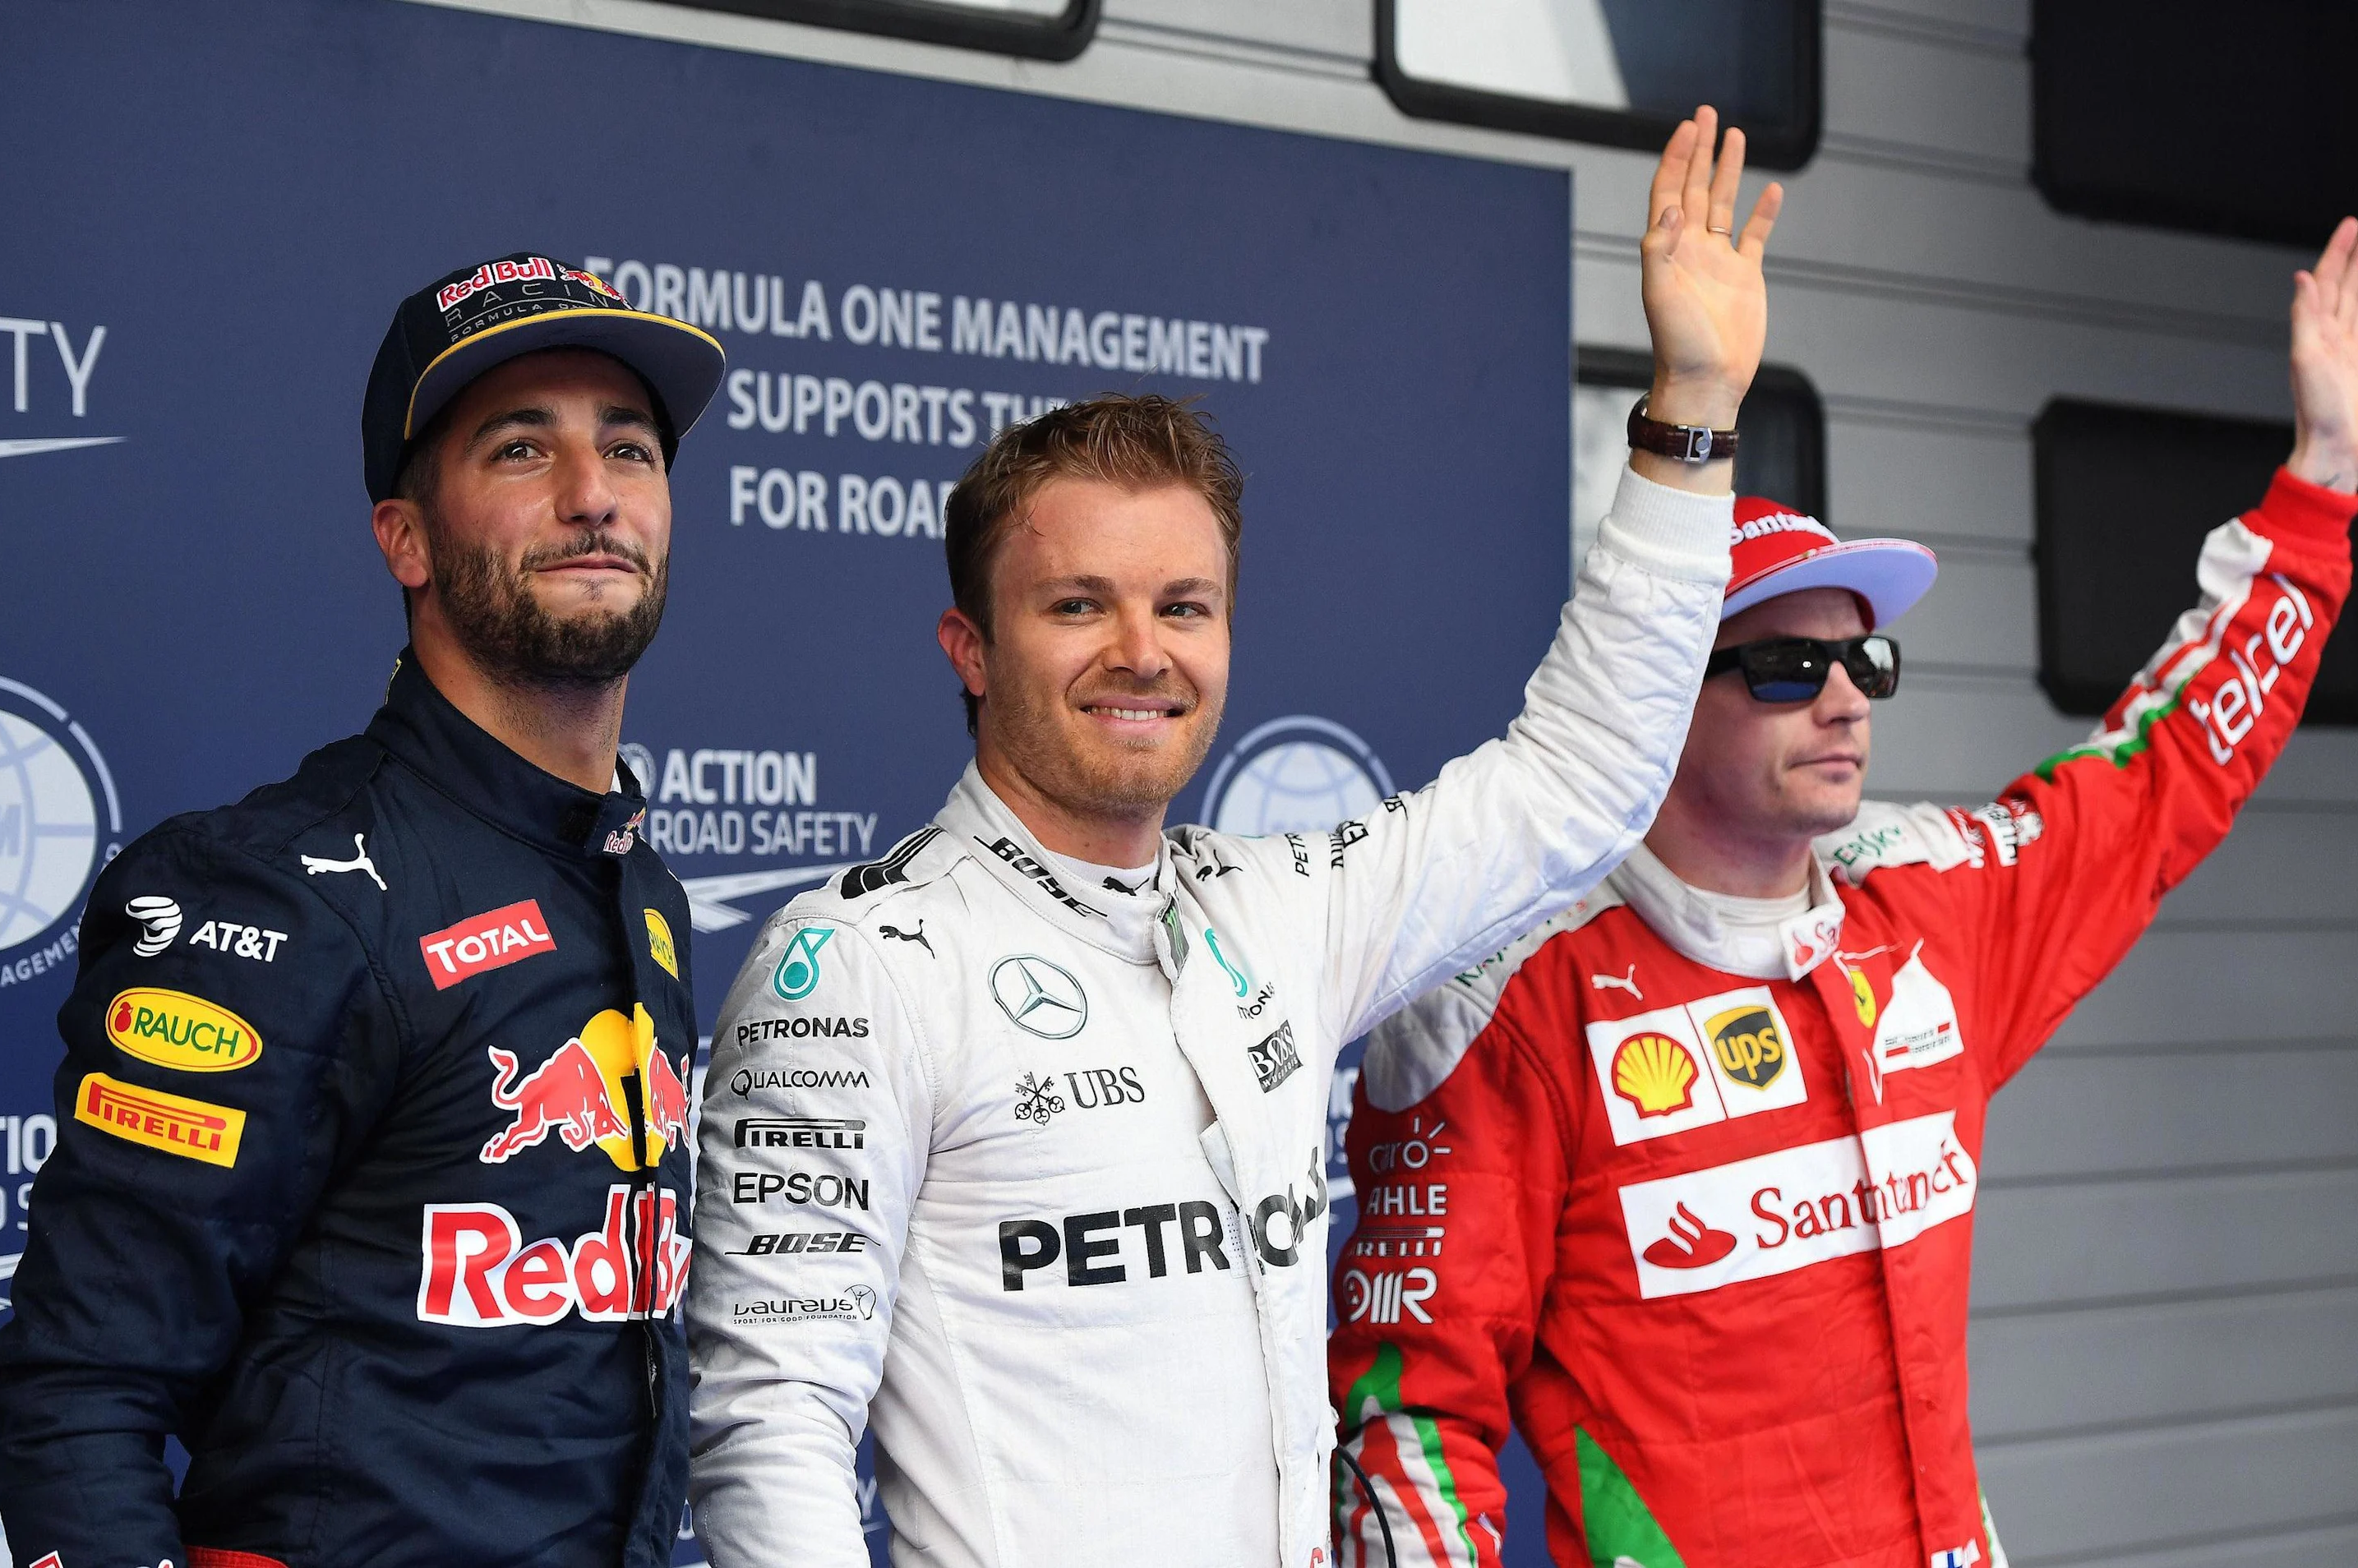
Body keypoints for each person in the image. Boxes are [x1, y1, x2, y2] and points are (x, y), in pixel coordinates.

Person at [687, 108, 1781, 1567]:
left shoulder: (1277, 914)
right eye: (1078, 604)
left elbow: (1579, 777)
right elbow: (771, 1434)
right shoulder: (859, 967)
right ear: (969, 644)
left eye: (1184, 607)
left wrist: (1691, 415)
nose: (1142, 651)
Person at [1325, 219, 2358, 1568]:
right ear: (1660, 700)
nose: (1846, 698)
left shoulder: (1932, 907)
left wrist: (2318, 487)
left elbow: (2163, 771)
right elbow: (1409, 1425)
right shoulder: (1505, 1001)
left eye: (1867, 664)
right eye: (1789, 669)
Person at [0, 253, 726, 1568]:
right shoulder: (274, 892)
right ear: (407, 537)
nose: (592, 494)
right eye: (518, 450)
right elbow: (78, 1395)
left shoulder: (636, 885)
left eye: (630, 449)